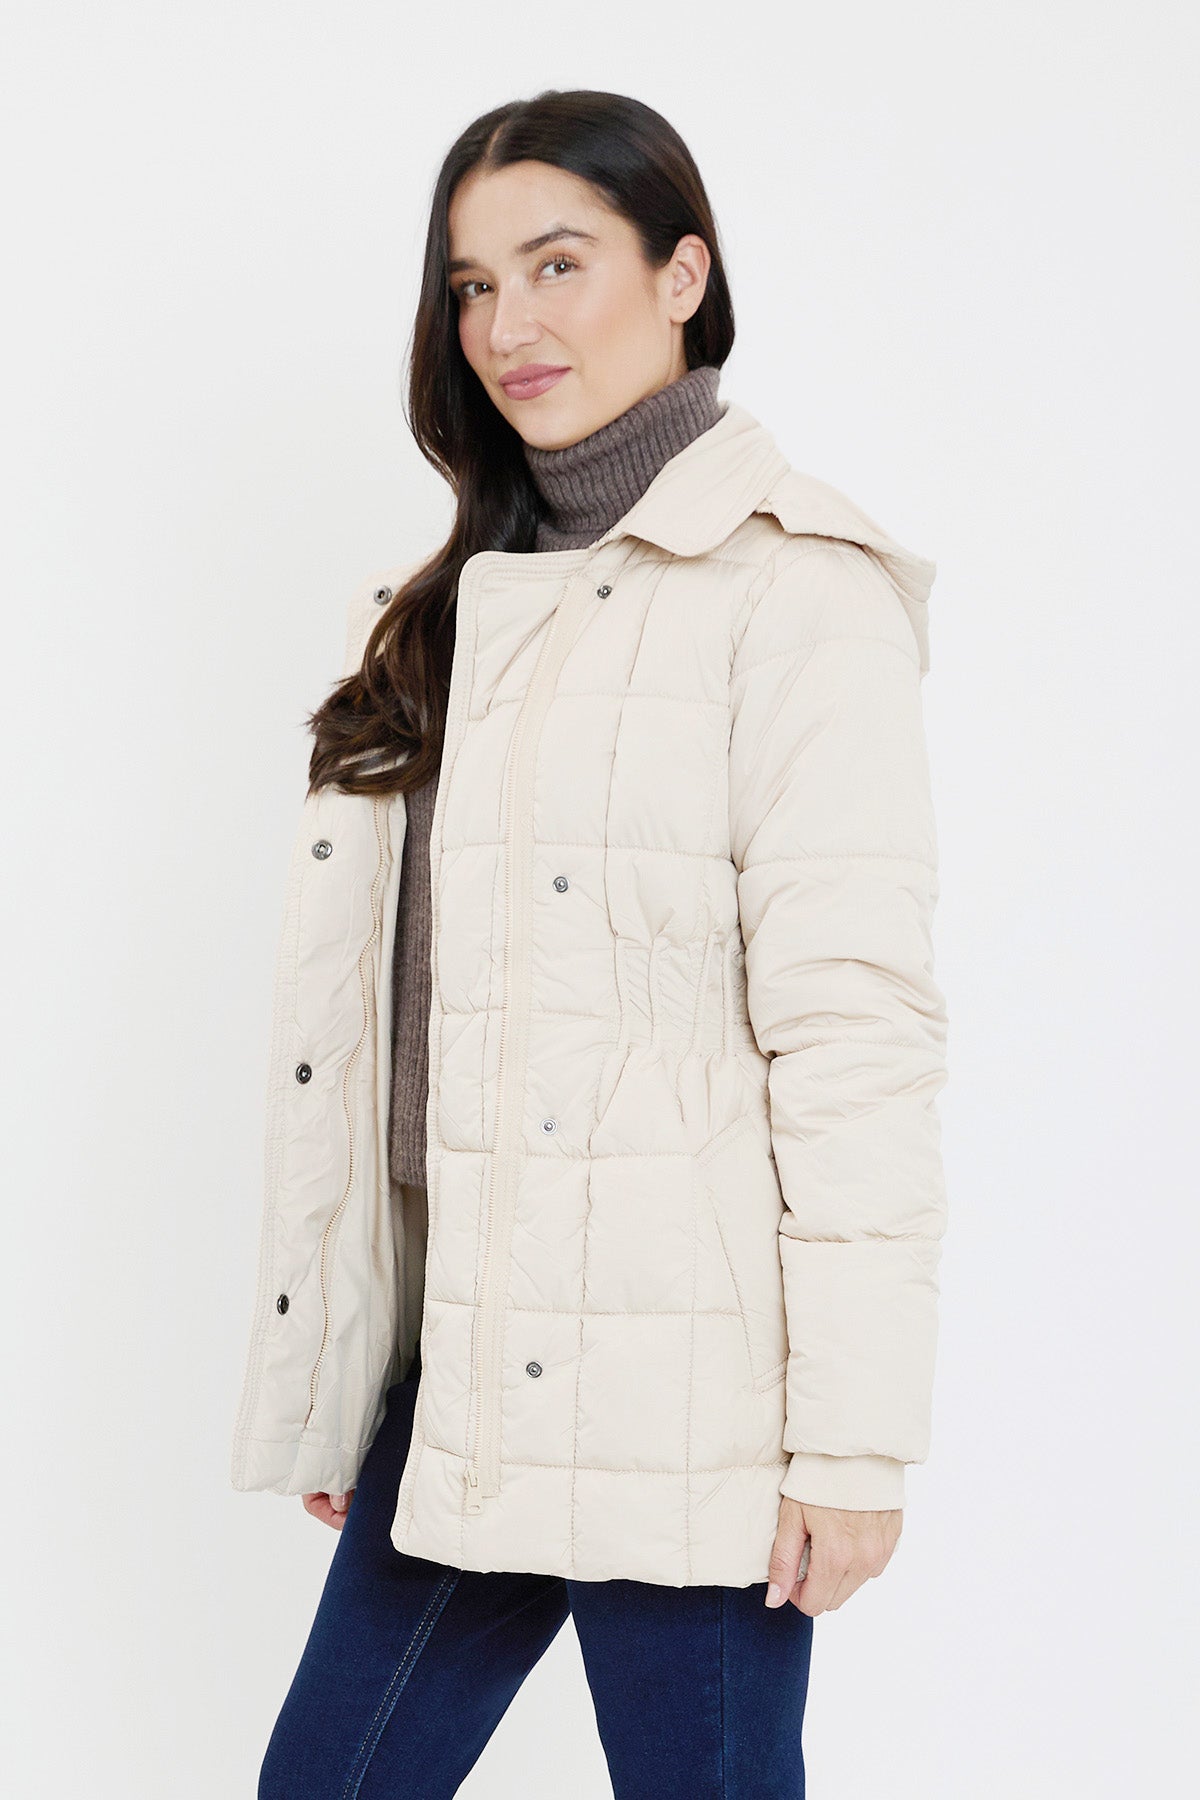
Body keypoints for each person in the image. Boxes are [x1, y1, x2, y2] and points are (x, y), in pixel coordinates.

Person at [232, 87, 949, 1799]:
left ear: (682, 274)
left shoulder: (796, 591)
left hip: (690, 1402)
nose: (509, 325)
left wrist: (853, 1445)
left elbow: (856, 1034)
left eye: (559, 264)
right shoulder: (443, 610)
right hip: (470, 1369)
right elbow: (390, 1034)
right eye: (474, 286)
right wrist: (349, 1361)